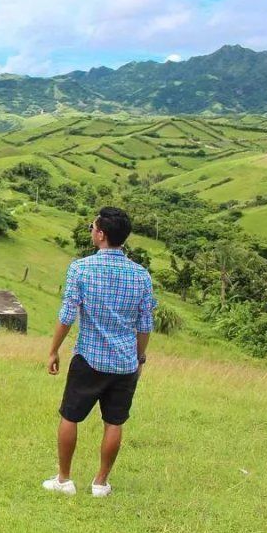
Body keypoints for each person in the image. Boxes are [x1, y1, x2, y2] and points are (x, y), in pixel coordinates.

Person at [42, 206, 157, 497]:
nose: (91, 231)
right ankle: (101, 483)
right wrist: (139, 357)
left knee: (70, 416)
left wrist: (53, 350)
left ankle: (64, 479)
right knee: (114, 422)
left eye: (93, 227)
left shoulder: (80, 268)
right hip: (124, 362)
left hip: (88, 357)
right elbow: (145, 325)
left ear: (102, 234)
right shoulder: (141, 275)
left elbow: (67, 315)